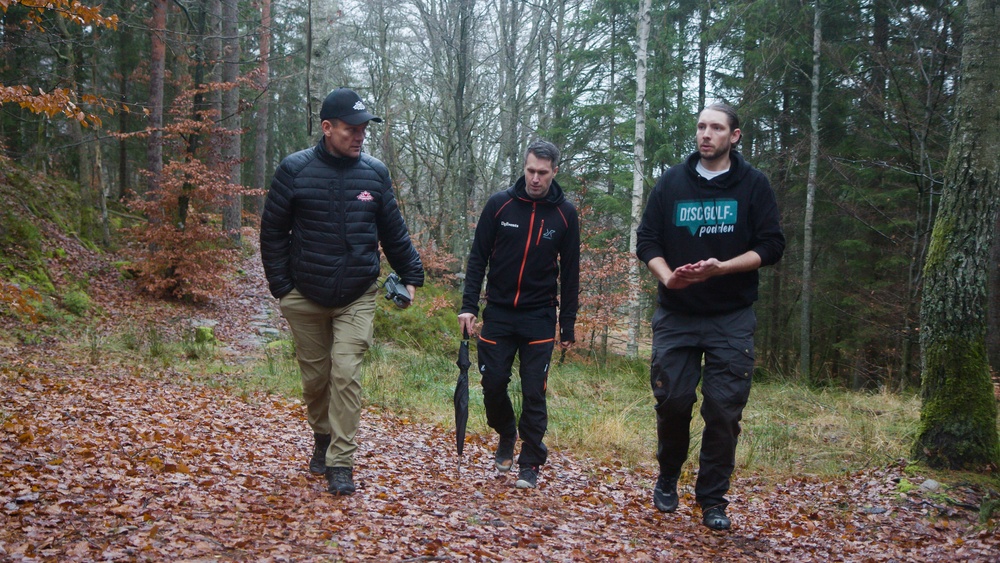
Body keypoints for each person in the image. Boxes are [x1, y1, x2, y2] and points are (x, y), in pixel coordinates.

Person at [260, 87, 424, 496]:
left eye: (364, 129)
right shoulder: (293, 171)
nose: (360, 136)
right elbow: (272, 233)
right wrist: (282, 287)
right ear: (327, 128)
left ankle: (341, 462)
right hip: (305, 293)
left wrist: (411, 275)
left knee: (346, 373)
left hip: (357, 293)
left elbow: (394, 231)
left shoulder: (375, 173)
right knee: (317, 381)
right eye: (351, 129)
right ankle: (322, 436)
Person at [635, 103, 785, 530]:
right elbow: (647, 240)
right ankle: (667, 475)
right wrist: (669, 279)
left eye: (716, 128)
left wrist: (722, 267)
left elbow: (772, 245)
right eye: (701, 126)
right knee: (673, 401)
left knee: (722, 411)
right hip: (677, 314)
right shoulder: (671, 182)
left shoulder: (754, 185)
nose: (706, 134)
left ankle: (713, 499)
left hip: (731, 317)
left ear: (734, 136)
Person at [458, 140, 580, 490]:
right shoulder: (500, 205)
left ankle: (530, 461)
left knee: (534, 390)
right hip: (498, 313)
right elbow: (477, 258)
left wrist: (567, 323)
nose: (536, 179)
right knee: (493, 384)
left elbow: (571, 272)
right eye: (530, 171)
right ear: (523, 167)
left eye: (543, 173)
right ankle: (506, 432)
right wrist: (468, 306)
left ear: (555, 171)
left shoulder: (564, 214)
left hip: (539, 316)